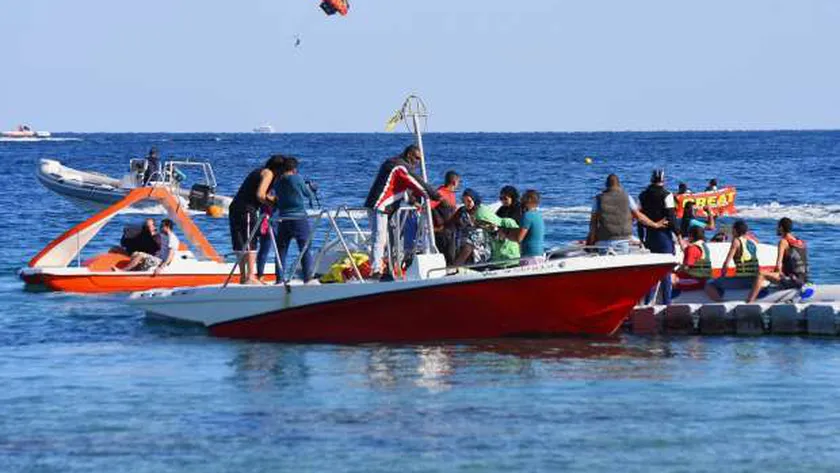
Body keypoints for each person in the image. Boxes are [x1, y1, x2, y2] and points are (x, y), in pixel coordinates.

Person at [363, 144, 440, 278]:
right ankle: (376, 270)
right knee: (379, 238)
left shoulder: (395, 166)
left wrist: (413, 202)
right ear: (409, 155)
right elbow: (417, 184)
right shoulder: (399, 167)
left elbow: (399, 188)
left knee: (387, 239)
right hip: (380, 206)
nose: (417, 162)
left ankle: (387, 267)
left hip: (383, 207)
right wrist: (435, 195)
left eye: (420, 160)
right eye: (416, 158)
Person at [229, 155, 285, 284]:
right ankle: (250, 277)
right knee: (250, 241)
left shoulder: (257, 171)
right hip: (247, 209)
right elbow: (260, 195)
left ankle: (243, 277)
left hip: (235, 207)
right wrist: (274, 203)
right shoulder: (268, 173)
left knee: (240, 242)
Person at [587, 174, 665, 254]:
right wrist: (655, 224)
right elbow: (639, 217)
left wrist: (592, 241)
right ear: (619, 185)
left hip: (603, 242)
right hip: (622, 241)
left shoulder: (598, 199)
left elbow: (593, 223)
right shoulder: (627, 197)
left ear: (606, 185)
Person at [273, 157, 316, 283]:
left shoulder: (277, 181)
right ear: (294, 168)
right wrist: (312, 188)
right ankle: (308, 278)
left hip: (283, 218)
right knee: (305, 247)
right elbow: (308, 194)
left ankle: (279, 279)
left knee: (281, 249)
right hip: (298, 217)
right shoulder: (297, 178)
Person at [639, 169, 679, 304]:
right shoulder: (667, 195)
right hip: (663, 236)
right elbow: (672, 219)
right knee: (665, 271)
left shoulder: (642, 195)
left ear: (651, 180)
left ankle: (647, 302)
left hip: (649, 235)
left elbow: (640, 218)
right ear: (664, 180)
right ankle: (667, 303)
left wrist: (641, 238)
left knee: (651, 271)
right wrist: (679, 235)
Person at [746, 218, 808, 302]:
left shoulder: (783, 242)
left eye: (777, 227)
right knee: (768, 272)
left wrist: (773, 274)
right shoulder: (800, 242)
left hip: (792, 280)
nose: (776, 229)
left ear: (781, 228)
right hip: (803, 279)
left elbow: (779, 265)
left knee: (761, 274)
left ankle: (749, 302)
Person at [704, 219, 759, 301]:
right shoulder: (752, 242)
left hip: (744, 280)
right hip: (755, 279)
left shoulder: (736, 241)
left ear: (735, 230)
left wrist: (722, 277)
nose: (732, 232)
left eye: (732, 230)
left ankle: (720, 303)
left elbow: (726, 263)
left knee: (709, 284)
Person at [450, 189, 493, 266]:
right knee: (466, 249)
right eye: (465, 201)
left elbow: (490, 223)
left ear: (474, 200)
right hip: (464, 238)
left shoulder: (481, 210)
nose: (467, 204)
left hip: (479, 239)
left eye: (469, 201)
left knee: (475, 254)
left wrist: (479, 224)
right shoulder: (461, 210)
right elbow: (452, 222)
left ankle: (455, 267)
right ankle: (456, 267)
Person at [509, 189, 545, 266]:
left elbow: (519, 238)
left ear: (529, 200)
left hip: (530, 256)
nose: (521, 200)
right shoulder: (538, 215)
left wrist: (505, 234)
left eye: (523, 198)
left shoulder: (527, 216)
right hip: (539, 254)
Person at [431, 170, 459, 265]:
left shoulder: (451, 194)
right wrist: (434, 228)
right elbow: (426, 209)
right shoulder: (439, 194)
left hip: (451, 231)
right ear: (455, 182)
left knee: (452, 256)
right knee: (447, 257)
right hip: (442, 232)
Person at [672, 226, 712, 291]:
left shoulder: (692, 248)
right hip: (704, 278)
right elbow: (694, 256)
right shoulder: (703, 245)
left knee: (668, 279)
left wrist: (674, 270)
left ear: (691, 235)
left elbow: (686, 267)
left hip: (696, 280)